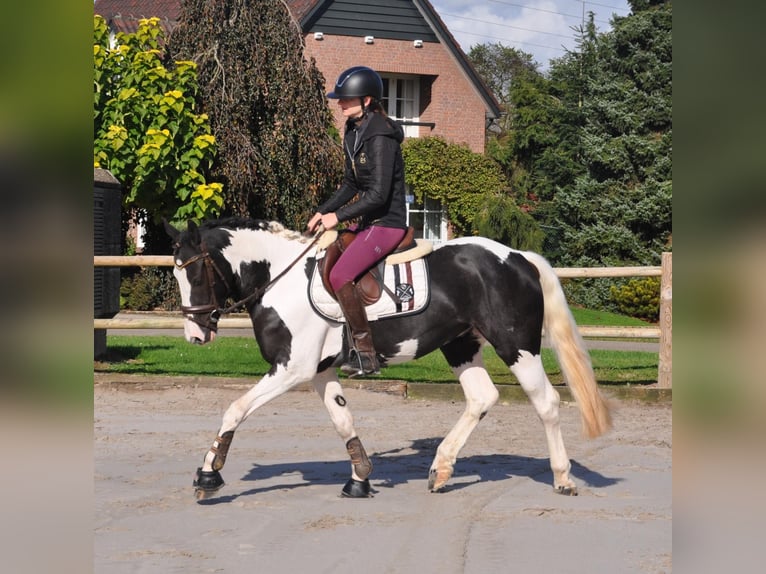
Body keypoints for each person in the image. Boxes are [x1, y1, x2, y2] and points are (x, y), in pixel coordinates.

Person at [307, 66, 408, 377]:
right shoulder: (353, 132)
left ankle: (366, 355)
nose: (340, 104)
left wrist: (337, 217)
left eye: (346, 100)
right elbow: (351, 184)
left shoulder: (381, 136)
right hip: (366, 223)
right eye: (340, 100)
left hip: (387, 223)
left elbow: (377, 195)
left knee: (340, 276)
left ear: (366, 100)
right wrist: (322, 211)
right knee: (323, 262)